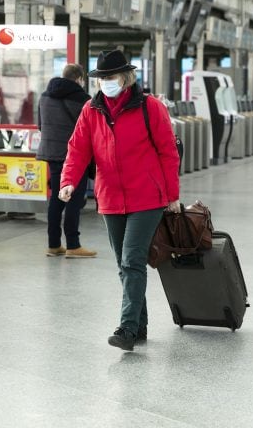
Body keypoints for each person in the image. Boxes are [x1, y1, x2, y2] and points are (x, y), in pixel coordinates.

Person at [58, 50, 180, 351]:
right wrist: (68, 182)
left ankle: (126, 329)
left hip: (147, 196)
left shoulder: (150, 107)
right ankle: (140, 325)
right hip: (110, 196)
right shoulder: (92, 109)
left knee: (132, 259)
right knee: (123, 265)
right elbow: (78, 149)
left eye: (109, 78)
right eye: (100, 79)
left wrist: (173, 195)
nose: (104, 84)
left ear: (125, 77)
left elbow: (167, 151)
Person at [36, 64, 97, 259]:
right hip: (74, 156)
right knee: (75, 199)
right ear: (79, 78)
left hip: (52, 153)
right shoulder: (82, 99)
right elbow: (91, 130)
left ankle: (53, 245)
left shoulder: (45, 96)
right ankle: (73, 245)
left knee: (57, 198)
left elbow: (40, 125)